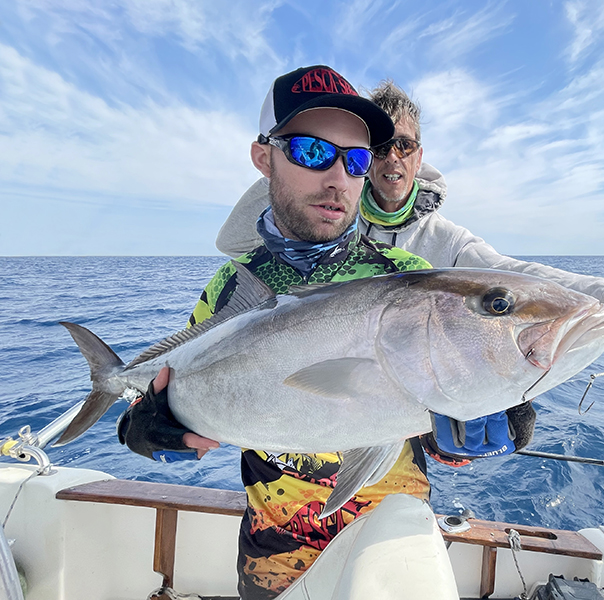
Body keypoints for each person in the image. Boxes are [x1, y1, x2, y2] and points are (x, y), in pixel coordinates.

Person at [118, 66, 450, 598]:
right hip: (272, 550)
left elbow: (432, 409)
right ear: (263, 156)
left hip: (390, 539)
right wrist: (147, 430)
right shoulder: (232, 285)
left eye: (356, 160)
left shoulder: (406, 278)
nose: (338, 178)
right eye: (313, 152)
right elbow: (176, 386)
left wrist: (480, 426)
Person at [217, 81, 604, 368]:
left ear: (419, 153)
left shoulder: (439, 242)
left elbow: (513, 279)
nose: (390, 160)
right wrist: (297, 162)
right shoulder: (321, 218)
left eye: (402, 146)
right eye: (374, 149)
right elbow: (240, 243)